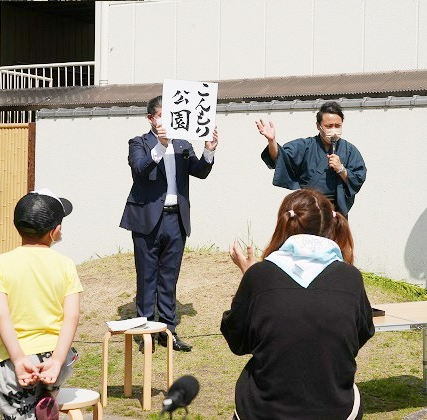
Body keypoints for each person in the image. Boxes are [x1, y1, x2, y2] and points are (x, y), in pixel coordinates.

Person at [222, 189, 375, 419]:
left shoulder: (260, 276)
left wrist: (250, 278)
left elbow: (237, 341)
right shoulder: (351, 277)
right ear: (330, 224)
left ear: (286, 222)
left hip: (264, 410)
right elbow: (362, 333)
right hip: (336, 409)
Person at [120, 95, 218, 352]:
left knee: (169, 277)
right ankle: (145, 331)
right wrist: (161, 146)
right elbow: (140, 168)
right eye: (161, 115)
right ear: (151, 118)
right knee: (146, 275)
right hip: (147, 219)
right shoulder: (139, 142)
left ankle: (168, 330)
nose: (166, 120)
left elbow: (200, 171)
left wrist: (209, 149)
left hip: (176, 218)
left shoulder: (184, 143)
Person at [0, 189, 83, 419]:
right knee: (62, 366)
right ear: (54, 231)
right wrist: (57, 360)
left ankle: (31, 403)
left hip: (17, 358)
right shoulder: (65, 265)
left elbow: (1, 316)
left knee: (17, 413)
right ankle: (47, 395)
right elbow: (72, 316)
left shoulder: (1, 264)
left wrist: (19, 359)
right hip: (56, 357)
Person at [256, 101, 366, 218]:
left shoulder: (349, 150)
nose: (334, 129)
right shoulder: (305, 146)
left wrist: (341, 169)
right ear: (318, 126)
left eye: (337, 126)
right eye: (329, 126)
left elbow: (358, 178)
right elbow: (280, 157)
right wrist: (271, 141)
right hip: (308, 208)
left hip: (336, 210)